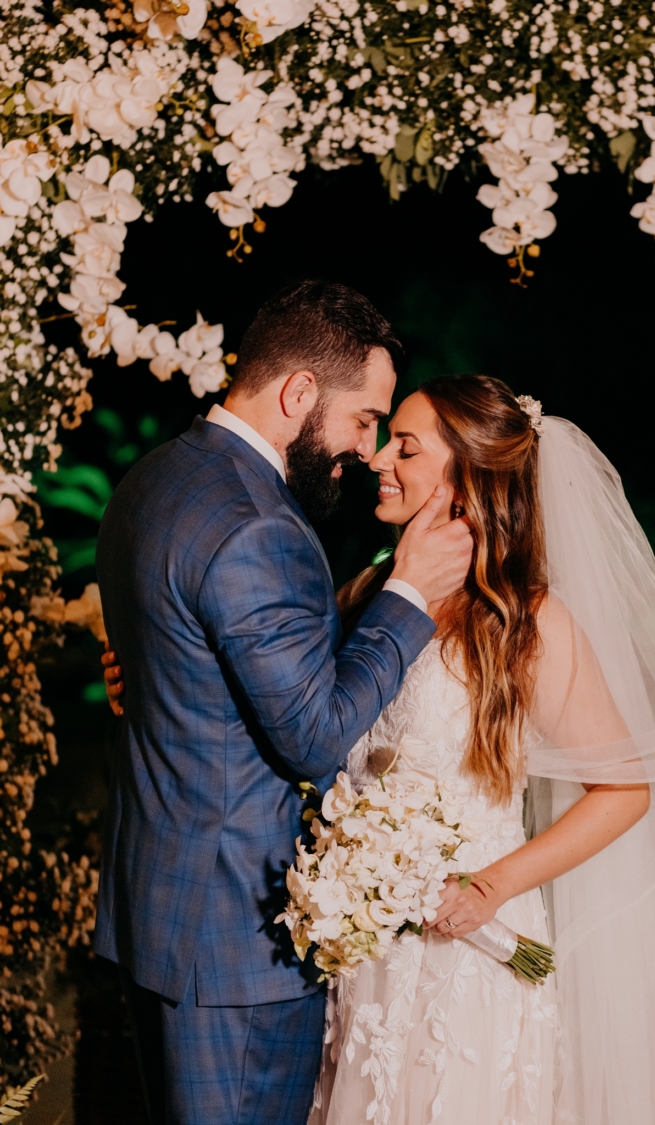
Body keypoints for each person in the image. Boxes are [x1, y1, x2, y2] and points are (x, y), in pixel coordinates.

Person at [306, 376, 655, 1125]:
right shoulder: (369, 595)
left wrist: (493, 885)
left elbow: (625, 789)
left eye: (406, 448)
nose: (380, 458)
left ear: (468, 475)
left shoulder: (525, 623)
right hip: (367, 959)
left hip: (474, 958)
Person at [94, 280, 473, 1125]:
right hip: (234, 948)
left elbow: (189, 657)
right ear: (299, 392)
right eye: (365, 420)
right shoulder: (260, 524)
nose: (366, 449)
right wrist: (408, 595)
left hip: (159, 909)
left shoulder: (156, 478)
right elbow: (315, 738)